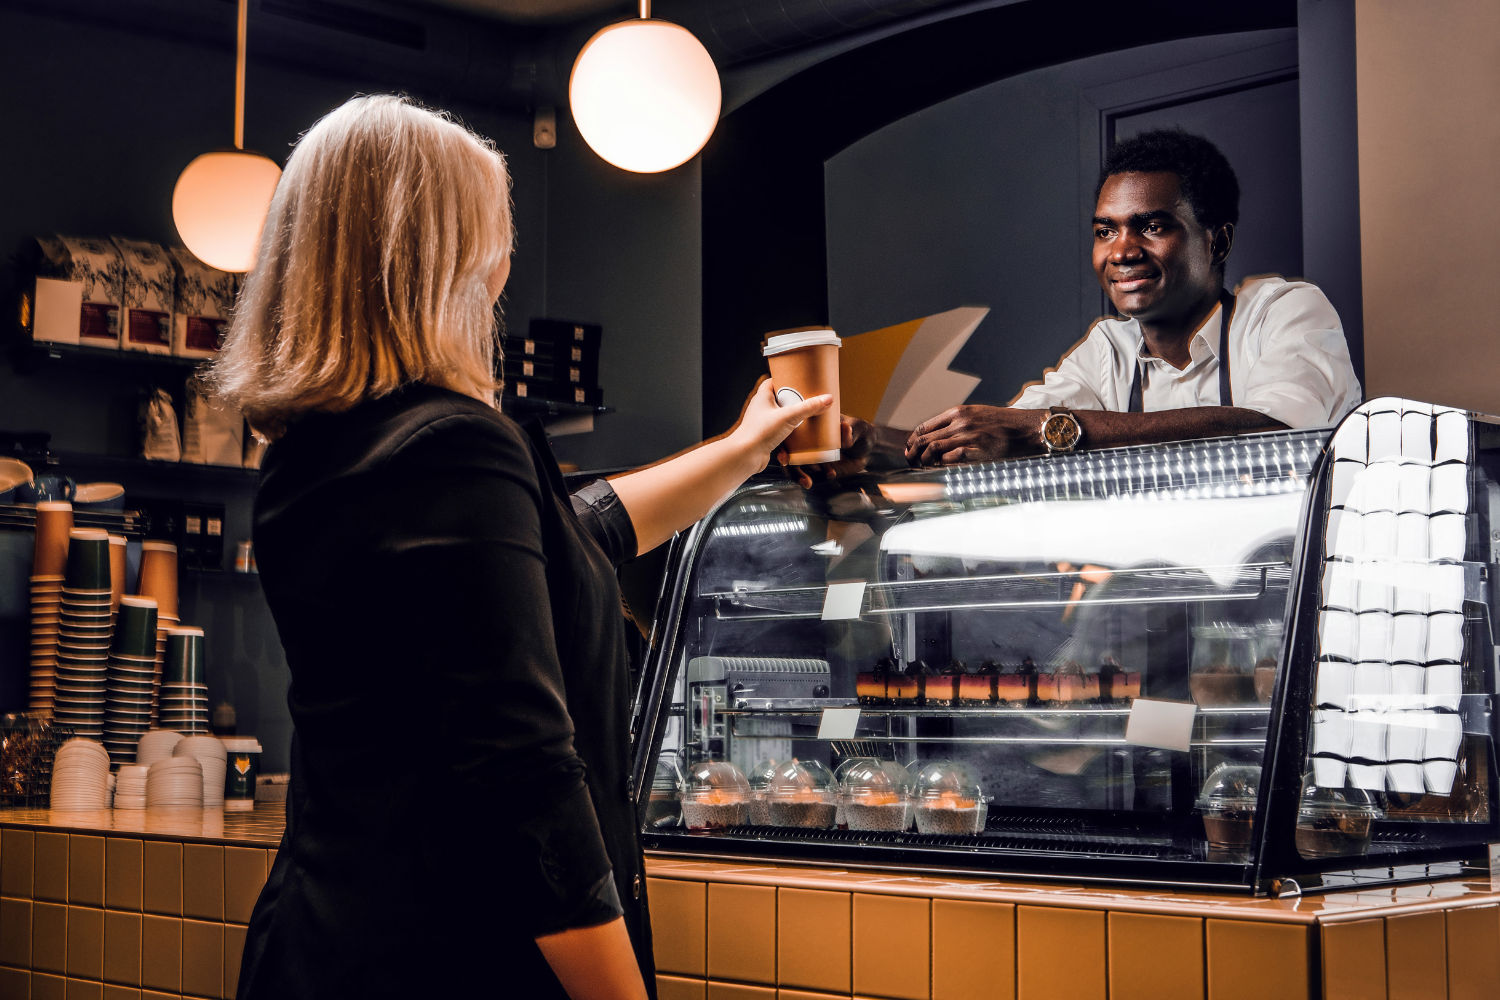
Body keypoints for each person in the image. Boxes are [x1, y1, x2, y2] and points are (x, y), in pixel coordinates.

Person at [216, 95, 831, 1000]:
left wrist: (741, 452)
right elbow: (524, 778)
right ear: (439, 255)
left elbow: (575, 534)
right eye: (492, 231)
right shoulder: (456, 443)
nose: (503, 260)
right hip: (450, 959)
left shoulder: (315, 450)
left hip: (325, 940)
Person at [837, 128, 1361, 469]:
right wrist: (876, 442)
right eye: (1105, 231)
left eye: (1152, 226)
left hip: (1295, 601)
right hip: (1158, 607)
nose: (1123, 251)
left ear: (1217, 241)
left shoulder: (1282, 310)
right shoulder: (1108, 347)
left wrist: (1048, 431)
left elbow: (1276, 432)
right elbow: (999, 442)